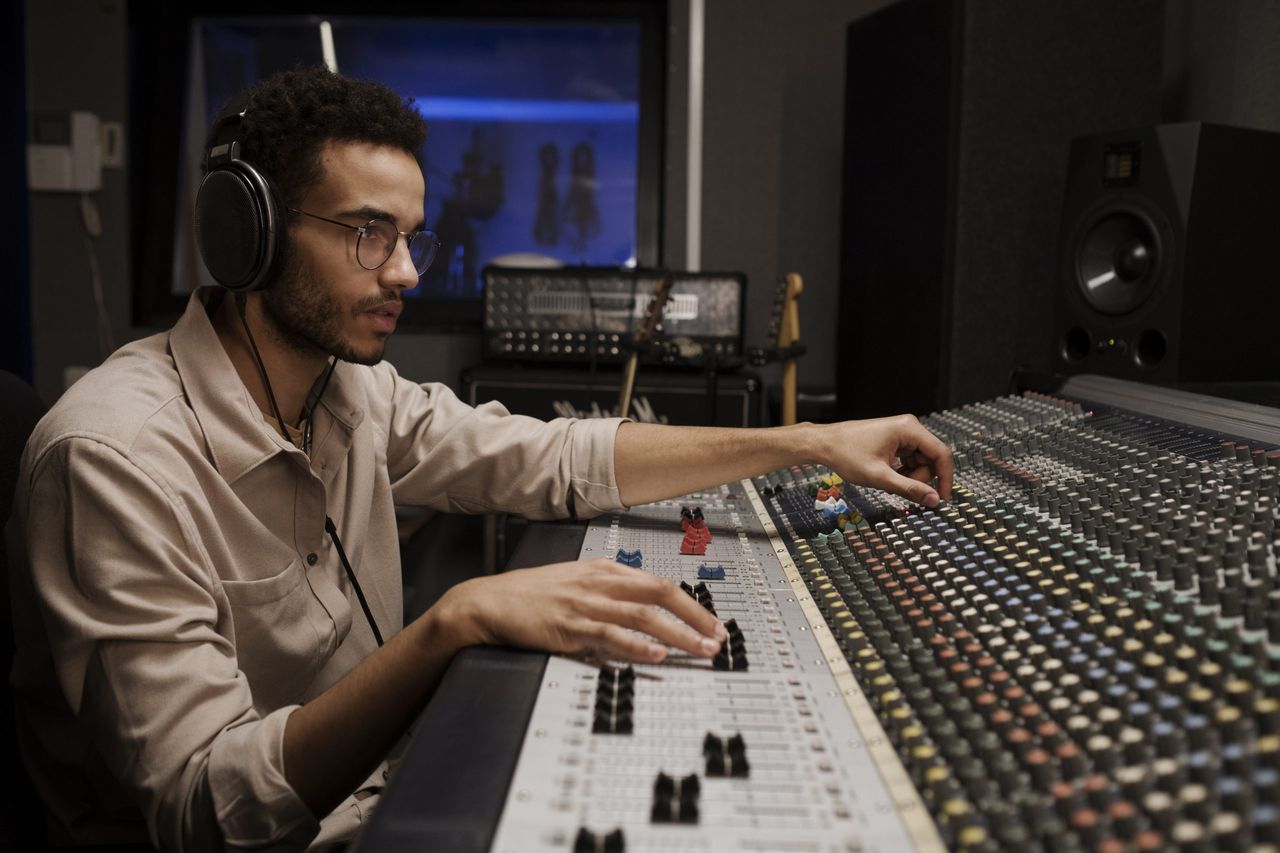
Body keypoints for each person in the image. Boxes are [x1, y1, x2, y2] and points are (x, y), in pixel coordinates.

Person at [7, 67, 952, 852]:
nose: (408, 273)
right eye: (367, 232)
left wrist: (808, 443)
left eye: (413, 237)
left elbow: (554, 456)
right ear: (244, 237)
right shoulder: (114, 456)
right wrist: (450, 622)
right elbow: (205, 805)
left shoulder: (350, 390)